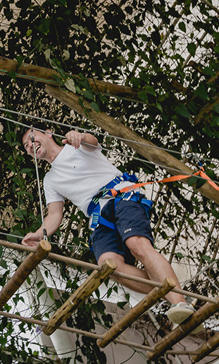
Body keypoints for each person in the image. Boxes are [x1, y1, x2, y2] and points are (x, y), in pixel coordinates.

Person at [19, 127, 196, 327]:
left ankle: (179, 301)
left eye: (32, 138)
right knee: (108, 265)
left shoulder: (76, 146)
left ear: (48, 133)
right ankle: (178, 299)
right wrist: (38, 234)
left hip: (122, 197)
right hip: (99, 216)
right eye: (26, 146)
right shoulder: (50, 180)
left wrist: (80, 136)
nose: (30, 145)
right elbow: (54, 214)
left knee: (136, 244)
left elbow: (92, 142)